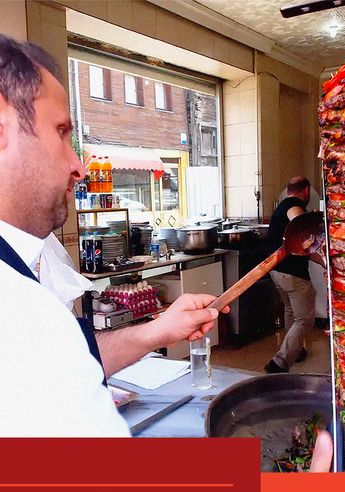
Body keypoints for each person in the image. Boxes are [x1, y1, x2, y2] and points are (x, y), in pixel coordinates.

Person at [0, 34, 225, 436]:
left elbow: (62, 360)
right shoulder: (19, 312)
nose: (78, 167)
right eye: (62, 131)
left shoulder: (31, 276)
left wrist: (158, 329)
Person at [264, 176, 316, 373]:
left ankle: (296, 351)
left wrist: (322, 259)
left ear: (288, 189)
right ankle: (280, 362)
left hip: (277, 271)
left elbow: (302, 248)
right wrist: (310, 230)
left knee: (291, 311)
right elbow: (298, 222)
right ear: (306, 190)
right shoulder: (294, 205)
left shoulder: (280, 207)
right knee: (305, 319)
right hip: (293, 274)